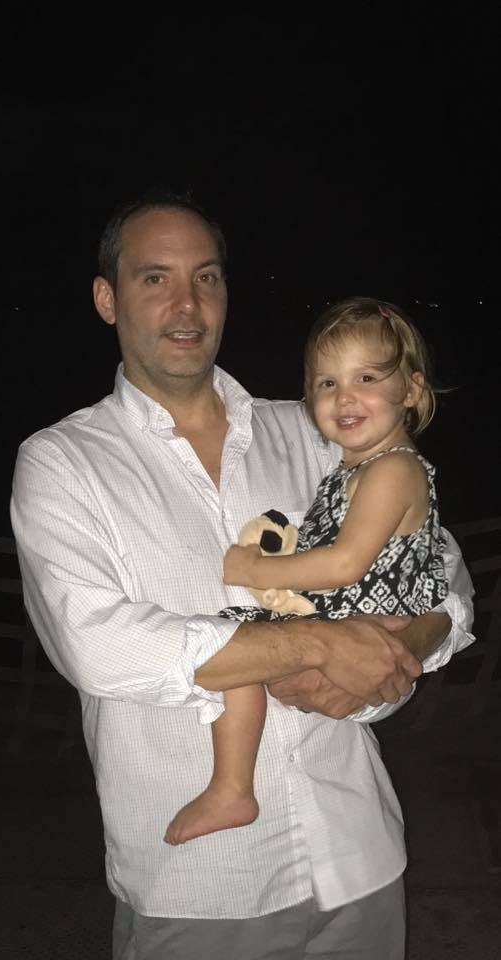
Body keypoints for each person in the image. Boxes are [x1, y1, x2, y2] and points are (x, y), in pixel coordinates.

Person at [10, 190, 474, 960]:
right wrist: (319, 644)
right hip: (200, 885)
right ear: (106, 298)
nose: (187, 303)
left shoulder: (316, 430)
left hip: (357, 853)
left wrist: (402, 646)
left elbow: (440, 571)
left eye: (207, 277)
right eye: (154, 278)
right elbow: (97, 645)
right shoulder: (63, 462)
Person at [164, 297, 450, 847]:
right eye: (326, 383)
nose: (344, 397)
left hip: (363, 615)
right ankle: (234, 786)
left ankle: (231, 787)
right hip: (348, 616)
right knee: (239, 648)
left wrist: (261, 567)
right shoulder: (353, 467)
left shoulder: (393, 469)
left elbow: (344, 564)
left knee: (234, 641)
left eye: (367, 377)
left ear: (412, 391)